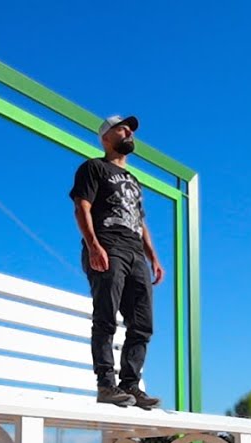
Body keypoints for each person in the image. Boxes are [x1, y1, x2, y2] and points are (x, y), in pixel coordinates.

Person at [69, 114, 164, 409]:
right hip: (108, 246)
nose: (128, 133)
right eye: (121, 129)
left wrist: (153, 258)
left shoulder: (134, 181)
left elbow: (139, 220)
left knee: (143, 323)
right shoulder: (93, 168)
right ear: (106, 138)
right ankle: (106, 384)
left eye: (131, 130)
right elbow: (81, 208)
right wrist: (93, 245)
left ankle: (131, 384)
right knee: (106, 316)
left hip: (135, 251)